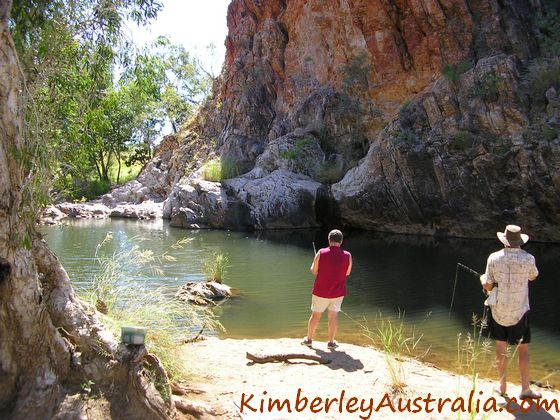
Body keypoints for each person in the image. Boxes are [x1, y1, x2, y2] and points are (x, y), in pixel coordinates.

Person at [481, 224, 541, 400]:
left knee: (501, 348)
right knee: (523, 350)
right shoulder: (529, 258)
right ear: (519, 241)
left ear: (505, 240)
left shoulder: (493, 258)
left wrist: (483, 280)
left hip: (498, 309)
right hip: (520, 310)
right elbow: (533, 276)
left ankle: (502, 386)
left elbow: (488, 285)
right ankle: (524, 389)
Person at [302, 229, 352, 350]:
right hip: (338, 292)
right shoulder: (348, 255)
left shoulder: (321, 252)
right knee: (333, 316)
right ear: (341, 241)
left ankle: (308, 340)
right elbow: (347, 272)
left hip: (320, 291)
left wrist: (314, 266)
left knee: (315, 315)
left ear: (329, 240)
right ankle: (331, 342)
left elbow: (314, 271)